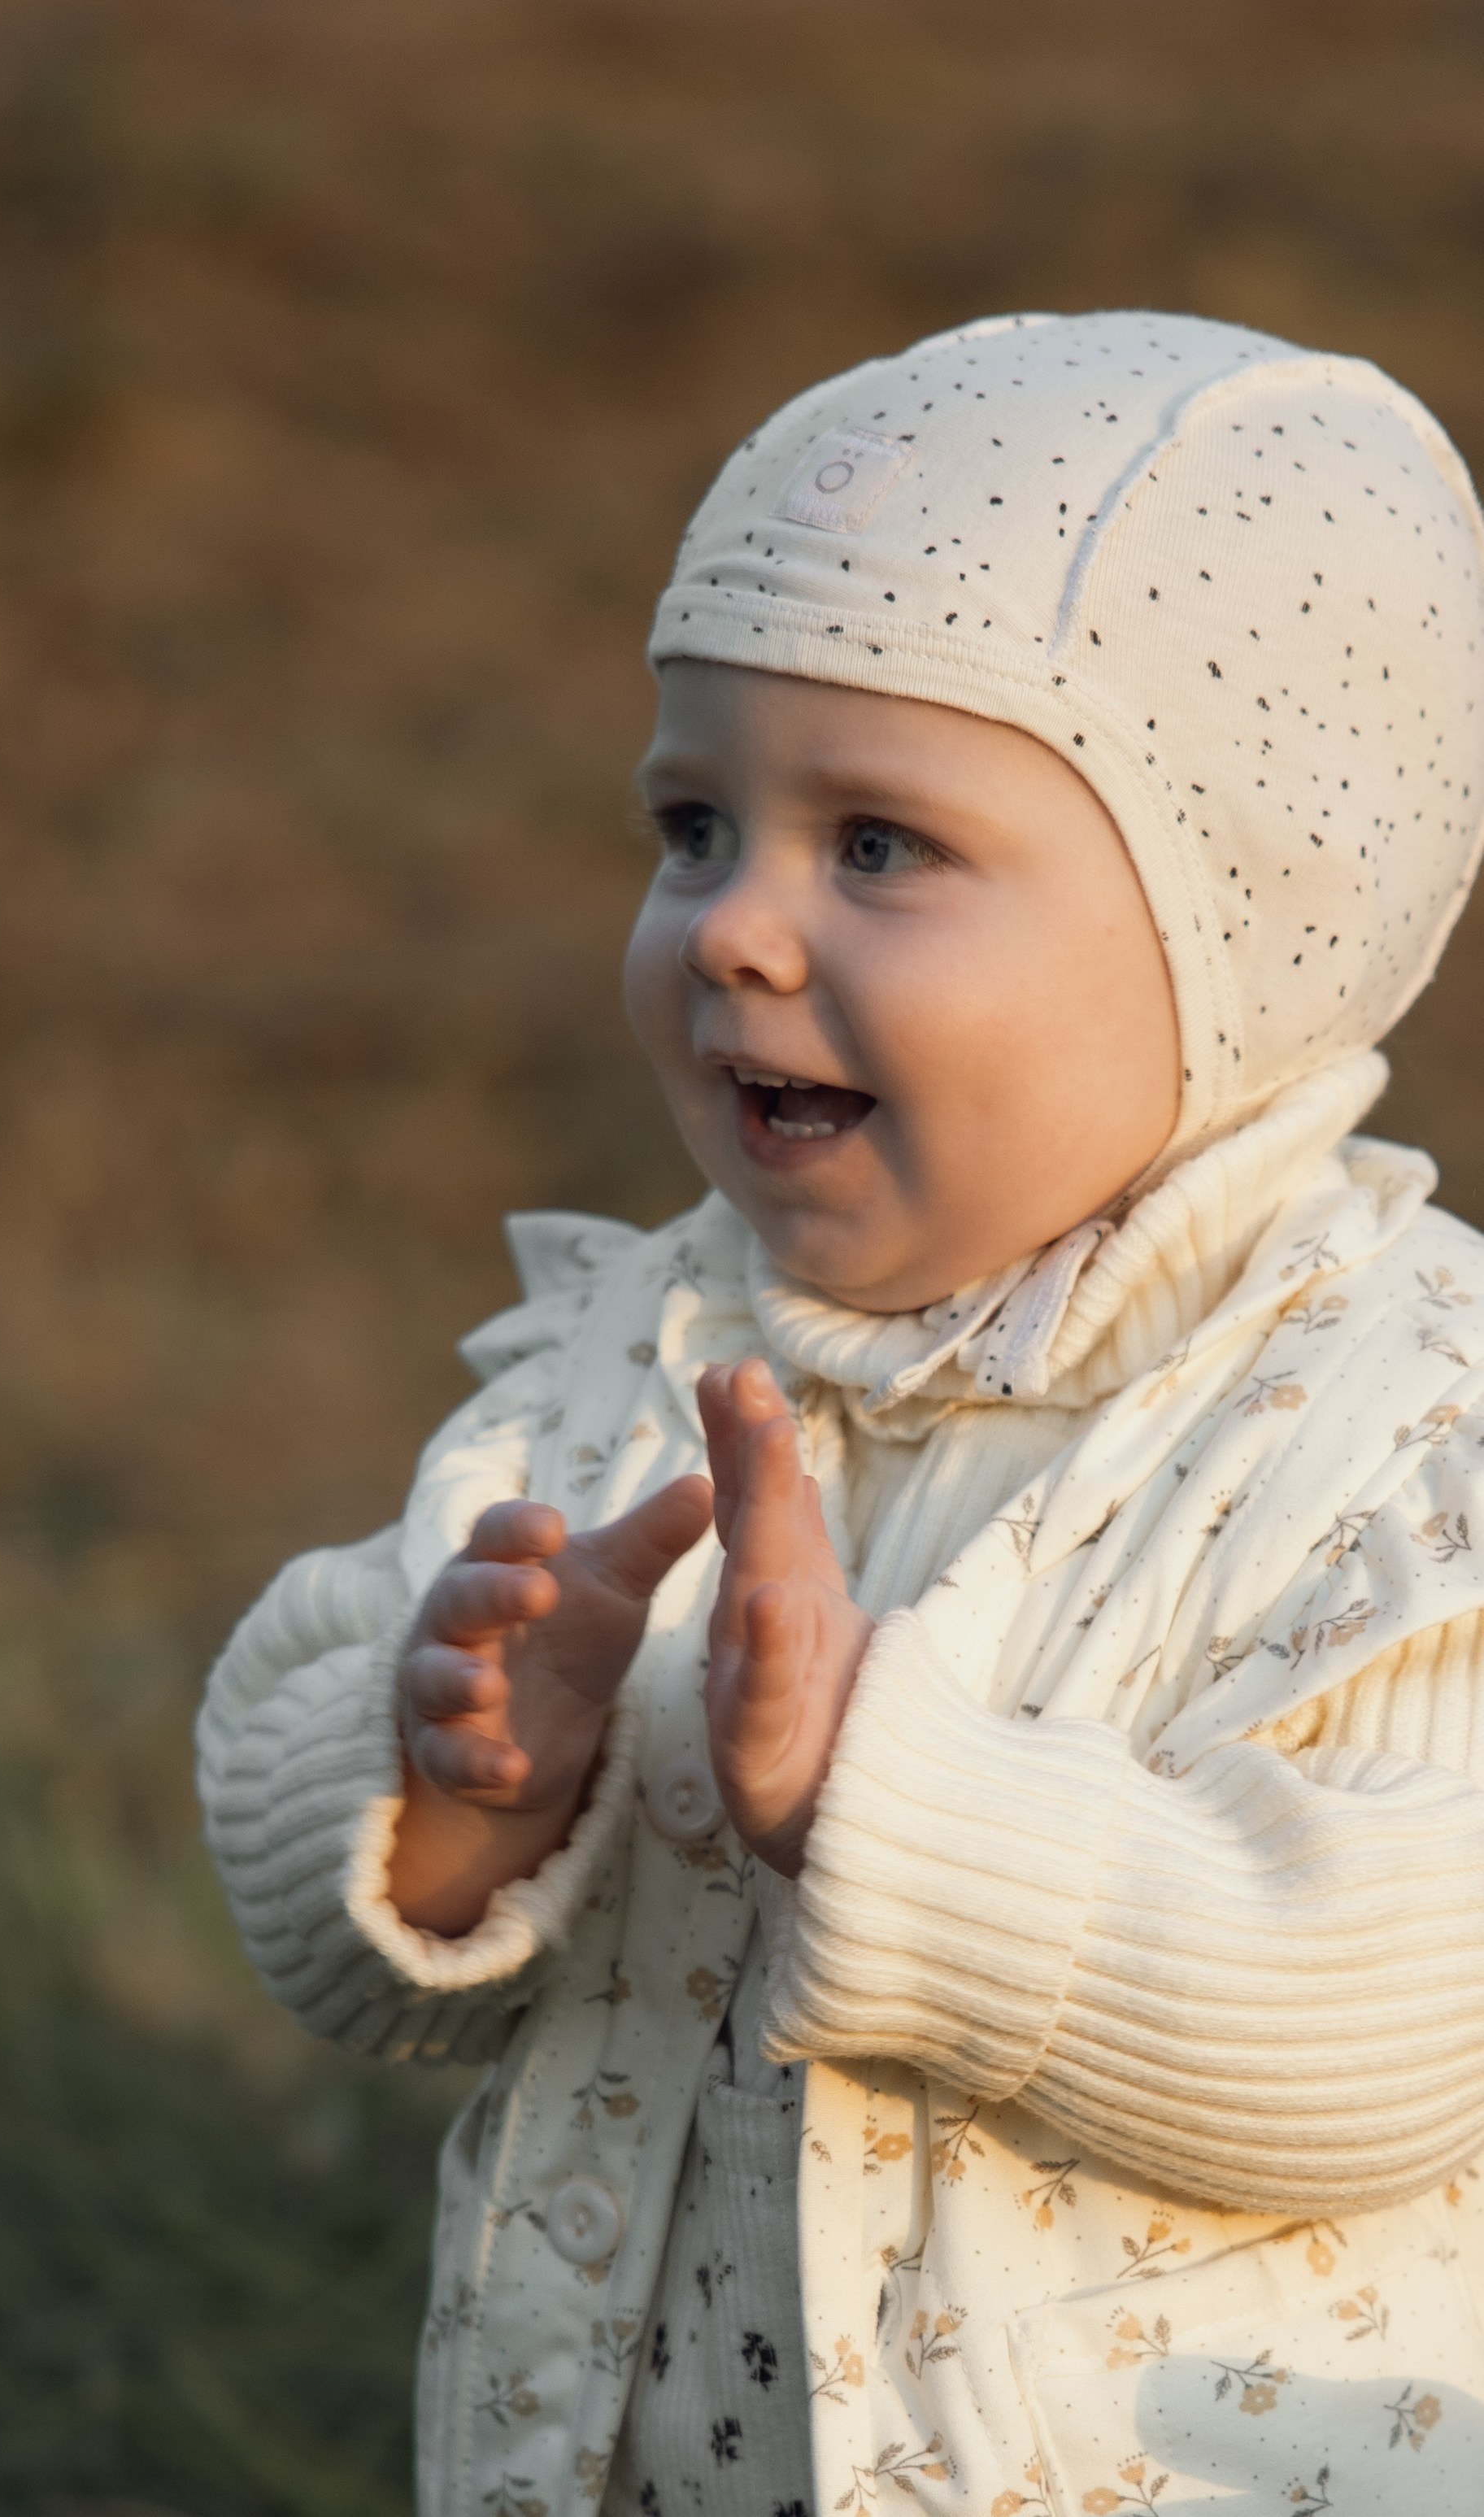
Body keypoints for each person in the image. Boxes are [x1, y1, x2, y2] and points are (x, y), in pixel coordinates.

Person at [198, 310, 1484, 2515]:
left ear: (1239, 925)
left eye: (876, 847)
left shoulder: (1390, 1431)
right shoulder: (648, 1353)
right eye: (698, 826)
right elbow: (340, 1921)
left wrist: (881, 1803)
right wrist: (459, 1778)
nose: (735, 932)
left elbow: (1390, 2007)